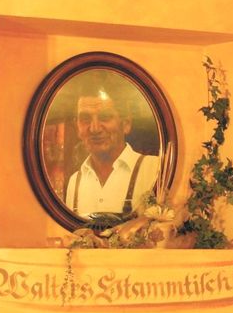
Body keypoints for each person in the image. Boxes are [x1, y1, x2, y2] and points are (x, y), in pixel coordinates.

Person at [62, 79, 161, 218]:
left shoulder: (153, 169)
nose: (94, 128)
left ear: (126, 124)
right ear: (77, 127)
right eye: (85, 119)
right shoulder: (74, 182)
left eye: (105, 117)